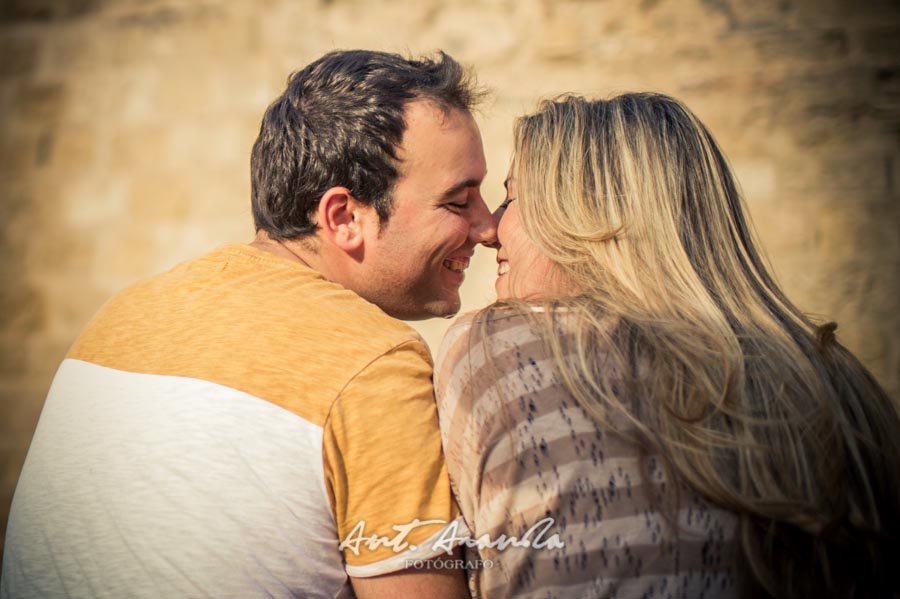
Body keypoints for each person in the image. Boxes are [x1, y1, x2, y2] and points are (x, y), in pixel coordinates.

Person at [2, 50, 496, 599]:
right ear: (344, 218)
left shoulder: (122, 315)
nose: (488, 227)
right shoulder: (372, 365)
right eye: (458, 201)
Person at [435, 93, 900, 598]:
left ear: (588, 217)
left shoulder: (510, 345)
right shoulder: (844, 386)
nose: (489, 230)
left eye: (514, 197)